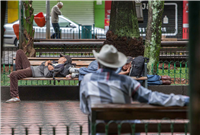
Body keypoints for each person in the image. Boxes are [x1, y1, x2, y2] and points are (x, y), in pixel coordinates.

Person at [80, 45, 189, 116]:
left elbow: (85, 109)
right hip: (125, 129)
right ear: (117, 66)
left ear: (98, 63)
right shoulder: (126, 81)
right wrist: (184, 100)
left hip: (99, 129)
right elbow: (150, 97)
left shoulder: (87, 80)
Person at [6, 49, 72, 103]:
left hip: (33, 71)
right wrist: (46, 63)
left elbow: (47, 75)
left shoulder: (59, 67)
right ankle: (19, 72)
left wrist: (46, 65)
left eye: (62, 57)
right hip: (31, 68)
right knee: (19, 52)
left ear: (65, 60)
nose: (60, 57)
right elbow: (42, 64)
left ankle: (15, 97)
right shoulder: (54, 63)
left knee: (13, 74)